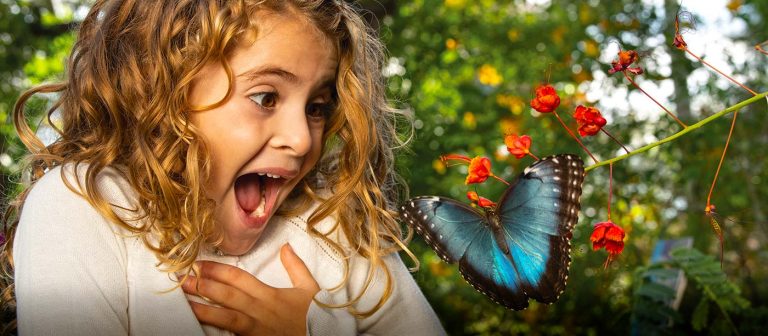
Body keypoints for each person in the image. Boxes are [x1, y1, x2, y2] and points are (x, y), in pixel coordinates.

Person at [0, 1, 445, 335]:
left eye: (317, 106)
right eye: (265, 97)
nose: (303, 138)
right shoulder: (81, 208)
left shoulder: (332, 223)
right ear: (162, 91)